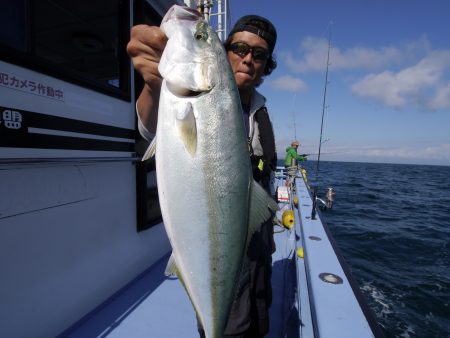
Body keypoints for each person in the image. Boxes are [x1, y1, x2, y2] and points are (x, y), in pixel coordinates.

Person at [127, 11, 277, 338]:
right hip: (219, 252)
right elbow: (150, 128)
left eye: (260, 54)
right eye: (239, 48)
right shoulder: (200, 97)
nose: (248, 59)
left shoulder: (261, 110)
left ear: (267, 65)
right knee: (228, 328)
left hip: (259, 251)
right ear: (223, 53)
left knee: (259, 321)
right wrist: (154, 84)